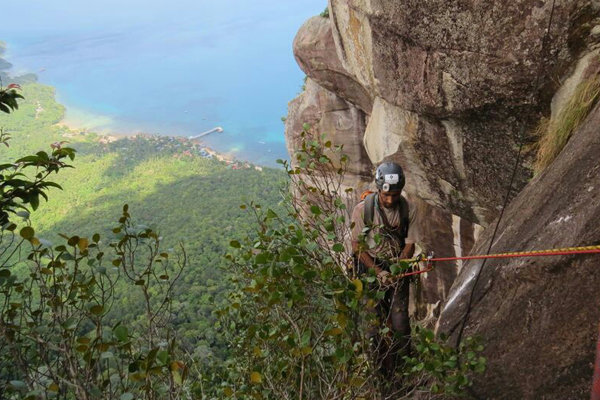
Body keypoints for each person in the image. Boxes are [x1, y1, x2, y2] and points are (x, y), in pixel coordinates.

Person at [351, 161, 416, 380]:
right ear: (378, 190)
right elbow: (357, 247)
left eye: (394, 195)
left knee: (400, 323)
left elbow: (410, 242)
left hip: (396, 265)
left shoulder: (407, 209)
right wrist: (378, 272)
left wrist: (399, 266)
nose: (390, 200)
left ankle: (406, 371)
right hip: (370, 266)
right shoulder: (363, 211)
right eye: (386, 195)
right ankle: (380, 375)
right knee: (373, 325)